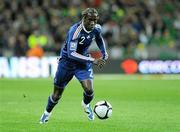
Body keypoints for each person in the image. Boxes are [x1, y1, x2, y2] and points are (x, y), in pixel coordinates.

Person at [40, 8, 108, 124]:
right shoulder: (75, 31)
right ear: (84, 18)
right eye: (90, 20)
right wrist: (93, 60)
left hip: (82, 63)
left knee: (89, 90)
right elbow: (72, 54)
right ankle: (46, 113)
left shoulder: (96, 28)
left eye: (95, 20)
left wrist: (104, 52)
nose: (93, 23)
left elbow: (99, 38)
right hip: (67, 63)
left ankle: (86, 105)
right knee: (57, 95)